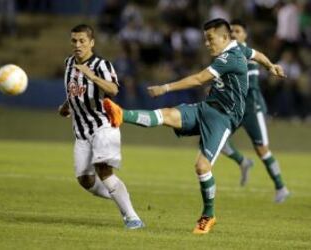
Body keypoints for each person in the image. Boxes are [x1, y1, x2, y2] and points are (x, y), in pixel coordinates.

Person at [103, 18, 285, 234]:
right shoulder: (240, 50)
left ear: (225, 38)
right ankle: (121, 114)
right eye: (205, 39)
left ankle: (208, 215)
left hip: (223, 118)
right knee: (168, 115)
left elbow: (200, 79)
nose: (207, 44)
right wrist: (271, 65)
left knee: (201, 167)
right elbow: (257, 55)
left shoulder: (230, 57)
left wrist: (165, 87)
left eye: (210, 39)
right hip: (206, 108)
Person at [58, 24, 144, 229]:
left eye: (82, 41)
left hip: (103, 126)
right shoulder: (69, 63)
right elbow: (74, 92)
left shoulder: (101, 65)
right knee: (85, 180)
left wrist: (92, 76)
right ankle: (120, 194)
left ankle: (132, 218)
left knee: (104, 171)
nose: (77, 45)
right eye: (74, 41)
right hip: (81, 132)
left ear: (92, 43)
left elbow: (113, 89)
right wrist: (66, 107)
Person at [221, 20, 290, 203]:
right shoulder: (225, 55)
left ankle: (281, 187)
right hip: (235, 108)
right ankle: (243, 162)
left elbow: (247, 85)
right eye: (231, 31)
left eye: (237, 31)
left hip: (252, 108)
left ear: (245, 35)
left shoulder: (249, 55)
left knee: (262, 150)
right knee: (216, 141)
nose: (234, 34)